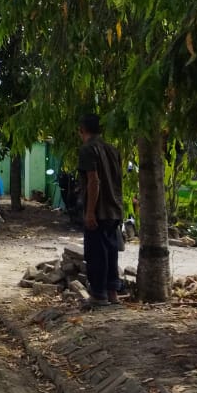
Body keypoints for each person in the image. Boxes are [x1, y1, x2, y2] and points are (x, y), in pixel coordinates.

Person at [78, 113, 124, 306]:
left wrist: (90, 211)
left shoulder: (88, 149)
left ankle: (98, 294)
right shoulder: (113, 150)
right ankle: (112, 293)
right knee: (111, 252)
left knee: (96, 253)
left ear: (82, 130)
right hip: (114, 209)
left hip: (99, 210)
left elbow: (93, 180)